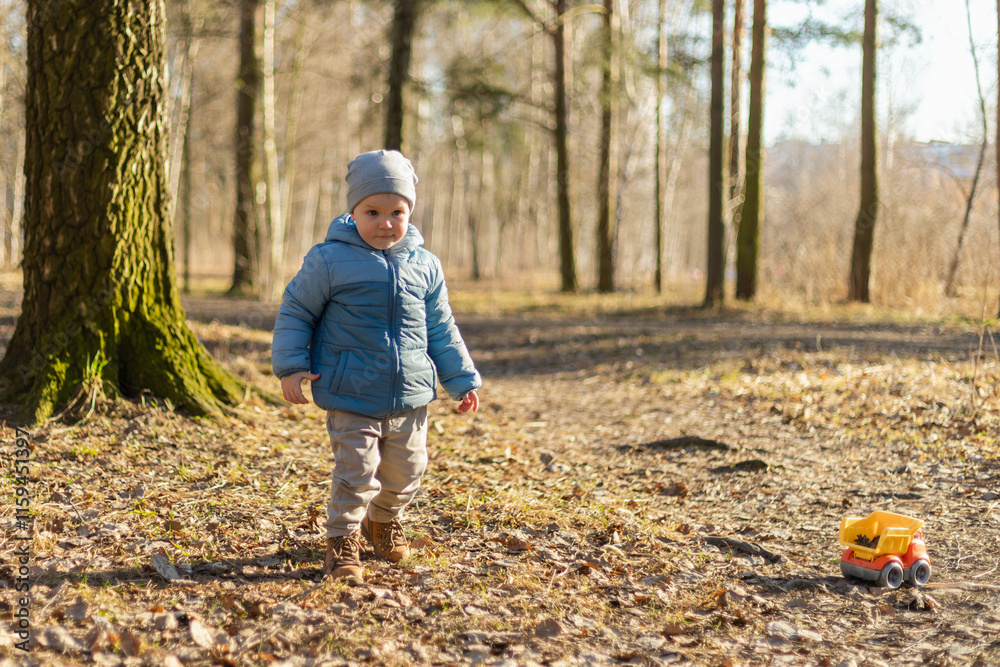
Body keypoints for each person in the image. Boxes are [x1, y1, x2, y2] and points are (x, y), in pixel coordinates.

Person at [272, 149, 481, 585]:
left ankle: (382, 520)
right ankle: (342, 541)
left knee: (408, 472)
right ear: (353, 212)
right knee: (357, 473)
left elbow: (441, 327)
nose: (385, 223)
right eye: (373, 212)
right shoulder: (329, 260)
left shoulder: (425, 265)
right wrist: (291, 366)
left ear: (410, 212)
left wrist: (462, 380)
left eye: (396, 212)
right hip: (351, 391)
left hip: (410, 395)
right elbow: (297, 311)